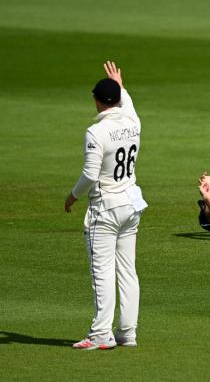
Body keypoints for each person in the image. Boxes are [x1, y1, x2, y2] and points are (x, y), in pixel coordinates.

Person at [65, 61, 148, 350]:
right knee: (127, 270)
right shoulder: (132, 123)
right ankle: (128, 332)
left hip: (106, 208)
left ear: (98, 101)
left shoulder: (96, 132)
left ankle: (101, 334)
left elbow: (90, 174)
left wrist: (73, 196)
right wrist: (121, 86)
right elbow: (129, 105)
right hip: (131, 204)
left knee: (102, 272)